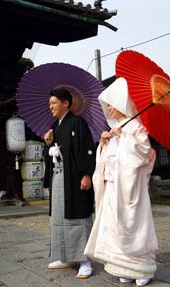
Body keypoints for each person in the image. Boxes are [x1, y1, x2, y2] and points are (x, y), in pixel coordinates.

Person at [84, 77, 158, 286]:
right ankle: (122, 266)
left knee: (135, 224)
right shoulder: (118, 127)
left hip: (130, 187)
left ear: (120, 104)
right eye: (107, 107)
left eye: (111, 107)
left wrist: (125, 137)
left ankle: (142, 269)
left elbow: (145, 153)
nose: (109, 111)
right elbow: (107, 158)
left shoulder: (136, 127)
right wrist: (105, 144)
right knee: (114, 226)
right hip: (113, 184)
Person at [43, 87, 96, 279]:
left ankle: (85, 260)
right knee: (59, 218)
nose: (51, 107)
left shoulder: (78, 122)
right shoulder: (54, 126)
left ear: (66, 103)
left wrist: (87, 174)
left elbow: (87, 149)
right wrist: (48, 144)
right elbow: (51, 154)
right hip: (59, 178)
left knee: (78, 218)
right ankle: (64, 257)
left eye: (54, 103)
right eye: (50, 104)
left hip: (74, 178)